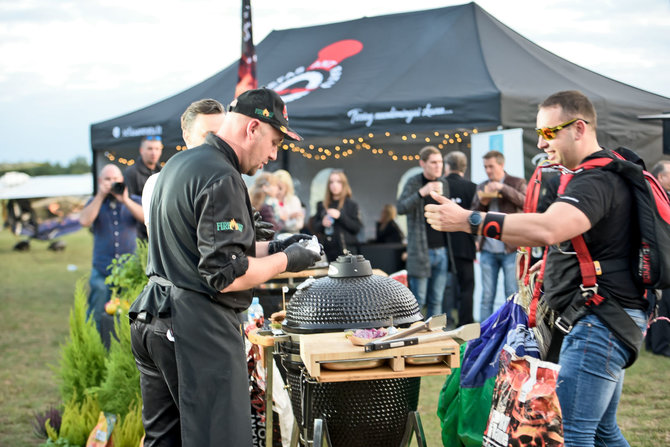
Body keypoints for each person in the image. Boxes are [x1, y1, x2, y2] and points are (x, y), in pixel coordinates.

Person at [425, 90, 648, 446]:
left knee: (572, 434)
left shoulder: (595, 180)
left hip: (600, 324)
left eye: (548, 132)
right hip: (606, 320)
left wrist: (470, 219)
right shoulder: (595, 175)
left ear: (578, 128)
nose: (542, 143)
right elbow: (588, 241)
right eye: (539, 132)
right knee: (603, 432)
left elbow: (549, 227)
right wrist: (548, 264)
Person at [128, 87, 321, 446]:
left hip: (153, 317)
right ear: (252, 129)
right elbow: (226, 276)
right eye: (275, 142)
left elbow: (200, 249)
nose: (273, 155)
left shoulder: (179, 165)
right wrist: (287, 260)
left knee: (164, 440)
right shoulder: (221, 176)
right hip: (193, 328)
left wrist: (276, 245)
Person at [79, 164, 144, 333]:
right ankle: (95, 345)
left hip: (128, 271)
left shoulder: (133, 200)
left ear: (122, 180)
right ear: (100, 181)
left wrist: (126, 200)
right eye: (108, 179)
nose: (112, 182)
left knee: (127, 312)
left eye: (115, 179)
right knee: (97, 311)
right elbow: (84, 221)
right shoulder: (95, 202)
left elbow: (146, 218)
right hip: (102, 268)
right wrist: (100, 195)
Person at [142, 99, 225, 226]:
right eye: (208, 135)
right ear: (187, 136)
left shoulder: (229, 180)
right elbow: (157, 242)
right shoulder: (158, 183)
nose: (217, 142)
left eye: (221, 135)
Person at [472, 150, 526, 320]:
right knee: (486, 296)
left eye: (491, 166)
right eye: (485, 167)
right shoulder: (482, 186)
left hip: (510, 248)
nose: (488, 171)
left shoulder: (516, 182)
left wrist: (503, 188)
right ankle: (482, 338)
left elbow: (526, 202)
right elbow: (472, 215)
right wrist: (483, 202)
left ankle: (511, 332)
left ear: (501, 165)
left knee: (512, 294)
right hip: (488, 249)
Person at [397, 146, 451, 318]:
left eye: (440, 162)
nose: (438, 166)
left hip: (441, 249)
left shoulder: (444, 183)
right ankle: (416, 335)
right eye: (434, 162)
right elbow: (401, 207)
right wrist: (422, 192)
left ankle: (434, 336)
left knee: (437, 299)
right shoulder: (414, 182)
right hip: (420, 251)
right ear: (423, 163)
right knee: (418, 300)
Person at [443, 151, 476, 326]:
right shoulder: (472, 187)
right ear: (464, 167)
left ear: (447, 166)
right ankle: (466, 322)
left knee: (445, 287)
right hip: (466, 245)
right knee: (467, 287)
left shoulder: (441, 186)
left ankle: (446, 320)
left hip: (444, 244)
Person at [311, 169, 363, 262]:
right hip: (327, 251)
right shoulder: (322, 205)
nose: (334, 185)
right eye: (331, 182)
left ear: (343, 184)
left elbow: (356, 228)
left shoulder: (351, 204)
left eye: (338, 182)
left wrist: (340, 216)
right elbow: (315, 227)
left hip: (346, 251)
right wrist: (322, 223)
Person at [647, 160, 670, 357]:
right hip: (659, 259)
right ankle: (661, 345)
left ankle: (655, 343)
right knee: (663, 303)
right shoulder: (654, 197)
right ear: (661, 177)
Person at [124, 135, 163, 240]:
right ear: (142, 150)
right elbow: (128, 204)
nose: (153, 153)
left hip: (160, 230)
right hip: (138, 234)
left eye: (157, 149)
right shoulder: (131, 172)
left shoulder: (163, 172)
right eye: (150, 148)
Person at [274, 169, 305, 234]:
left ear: (287, 187)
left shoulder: (294, 200)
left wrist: (283, 220)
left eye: (280, 188)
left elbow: (299, 224)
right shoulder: (270, 201)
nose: (278, 191)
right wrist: (289, 217)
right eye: (275, 187)